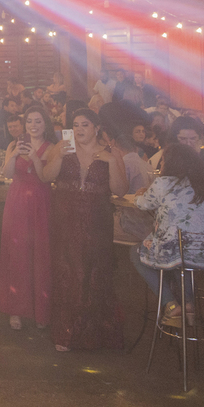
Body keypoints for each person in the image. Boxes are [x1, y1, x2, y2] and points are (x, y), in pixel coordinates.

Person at [40, 108, 126, 351]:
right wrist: (57, 158)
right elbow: (46, 177)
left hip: (97, 219)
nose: (79, 129)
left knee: (94, 271)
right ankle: (65, 333)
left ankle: (95, 333)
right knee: (67, 270)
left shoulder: (111, 153)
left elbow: (120, 190)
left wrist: (111, 163)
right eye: (76, 125)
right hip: (64, 218)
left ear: (96, 128)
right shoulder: (62, 148)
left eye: (85, 125)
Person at [130, 143, 204, 325]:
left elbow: (142, 204)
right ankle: (188, 304)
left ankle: (170, 304)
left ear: (170, 163)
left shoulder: (163, 183)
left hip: (174, 250)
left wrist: (139, 194)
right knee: (184, 256)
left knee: (136, 252)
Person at [0, 106, 55, 330]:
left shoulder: (51, 148)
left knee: (40, 252)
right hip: (17, 200)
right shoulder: (14, 144)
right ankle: (16, 309)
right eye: (29, 121)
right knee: (17, 253)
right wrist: (13, 154)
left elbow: (45, 177)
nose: (33, 125)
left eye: (38, 121)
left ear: (45, 124)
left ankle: (41, 309)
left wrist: (34, 157)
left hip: (41, 200)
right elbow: (7, 173)